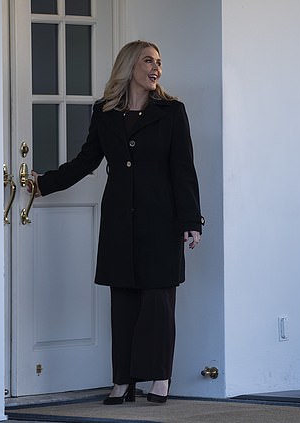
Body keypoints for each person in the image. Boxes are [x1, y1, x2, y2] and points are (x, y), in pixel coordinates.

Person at [30, 40, 203, 405]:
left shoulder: (172, 112)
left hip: (161, 219)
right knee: (122, 299)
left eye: (159, 62)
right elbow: (86, 161)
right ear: (129, 66)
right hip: (120, 219)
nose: (156, 68)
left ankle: (159, 378)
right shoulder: (105, 113)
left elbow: (183, 169)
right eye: (148, 61)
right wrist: (44, 184)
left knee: (158, 300)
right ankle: (122, 381)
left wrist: (191, 220)